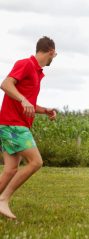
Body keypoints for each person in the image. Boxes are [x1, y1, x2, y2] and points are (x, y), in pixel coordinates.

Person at [0, 36, 58, 219]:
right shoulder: (25, 64)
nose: (54, 57)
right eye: (54, 54)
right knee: (36, 162)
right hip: (13, 124)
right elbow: (6, 84)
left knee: (10, 169)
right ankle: (3, 199)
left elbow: (28, 103)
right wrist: (23, 99)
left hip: (14, 123)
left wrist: (44, 109)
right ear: (50, 51)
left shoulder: (37, 72)